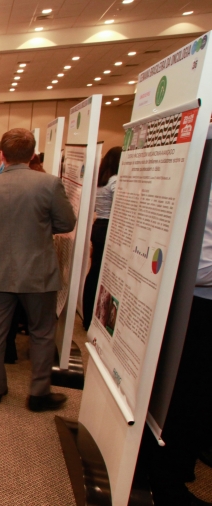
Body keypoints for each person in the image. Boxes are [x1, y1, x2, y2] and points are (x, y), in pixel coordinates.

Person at [0, 128, 76, 411]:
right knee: (42, 331)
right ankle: (39, 393)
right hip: (38, 271)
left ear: (2, 154)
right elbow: (66, 223)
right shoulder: (49, 184)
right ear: (33, 154)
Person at [139, 189, 212, 505]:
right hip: (195, 307)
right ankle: (166, 478)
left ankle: (180, 463)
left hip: (192, 303)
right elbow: (200, 268)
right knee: (186, 393)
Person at [82, 147, 122, 330]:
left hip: (99, 226)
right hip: (109, 228)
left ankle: (88, 316)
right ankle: (94, 318)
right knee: (100, 273)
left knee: (94, 271)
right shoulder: (115, 181)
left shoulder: (100, 182)